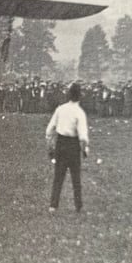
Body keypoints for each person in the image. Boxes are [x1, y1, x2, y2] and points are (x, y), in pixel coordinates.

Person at [45, 82, 89, 213]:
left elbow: (49, 129)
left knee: (58, 175)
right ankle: (78, 206)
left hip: (61, 143)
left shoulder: (60, 109)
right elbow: (83, 136)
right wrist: (85, 149)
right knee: (76, 177)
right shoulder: (79, 112)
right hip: (73, 145)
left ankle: (53, 205)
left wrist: (50, 145)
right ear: (80, 96)